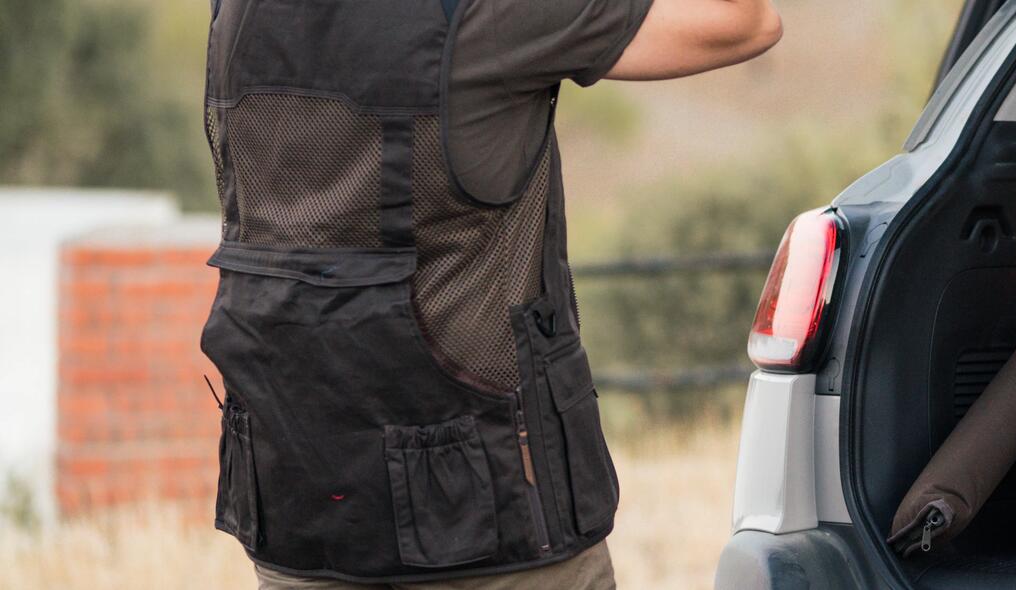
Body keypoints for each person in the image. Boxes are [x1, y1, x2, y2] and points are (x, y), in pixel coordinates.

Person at [197, 1, 779, 587]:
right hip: (493, 524)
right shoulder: (492, 10)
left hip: (298, 505)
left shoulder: (237, 12)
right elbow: (745, 21)